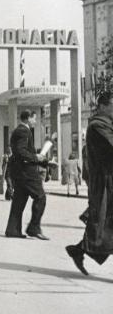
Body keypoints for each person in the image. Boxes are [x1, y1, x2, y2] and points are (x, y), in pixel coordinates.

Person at [66, 92, 113, 275]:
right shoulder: (97, 126)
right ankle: (80, 249)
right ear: (102, 106)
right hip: (105, 184)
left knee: (105, 228)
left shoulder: (106, 124)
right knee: (103, 225)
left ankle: (79, 250)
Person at [4, 110, 49, 240]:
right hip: (26, 172)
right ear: (28, 118)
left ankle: (13, 230)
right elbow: (21, 151)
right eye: (34, 118)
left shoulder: (18, 130)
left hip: (18, 172)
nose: (35, 121)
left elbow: (19, 151)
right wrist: (36, 157)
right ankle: (33, 228)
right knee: (40, 197)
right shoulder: (24, 131)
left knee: (19, 201)